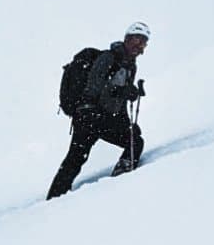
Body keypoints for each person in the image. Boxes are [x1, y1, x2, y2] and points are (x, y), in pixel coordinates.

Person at [47, 22, 150, 198]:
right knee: (76, 158)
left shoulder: (130, 67)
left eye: (143, 43)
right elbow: (94, 89)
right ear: (127, 39)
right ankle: (54, 199)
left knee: (133, 140)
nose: (139, 46)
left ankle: (120, 181)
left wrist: (128, 100)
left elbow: (117, 103)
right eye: (136, 40)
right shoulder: (108, 58)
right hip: (89, 116)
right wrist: (122, 92)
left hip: (101, 118)